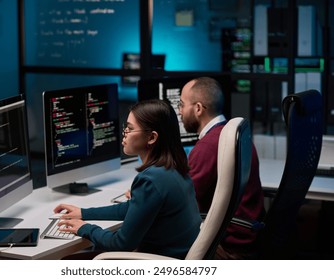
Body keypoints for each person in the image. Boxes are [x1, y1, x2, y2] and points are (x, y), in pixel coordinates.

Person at [53, 99, 202, 259]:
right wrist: (83, 213)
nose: (124, 133)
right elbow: (133, 208)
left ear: (151, 137)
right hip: (177, 260)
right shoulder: (174, 168)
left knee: (66, 261)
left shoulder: (151, 179)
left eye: (130, 129)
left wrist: (85, 228)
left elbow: (121, 243)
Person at [178, 76, 265, 259]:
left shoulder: (207, 147)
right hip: (249, 238)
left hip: (230, 247)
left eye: (181, 104)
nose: (179, 111)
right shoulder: (235, 134)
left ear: (198, 108)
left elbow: (184, 204)